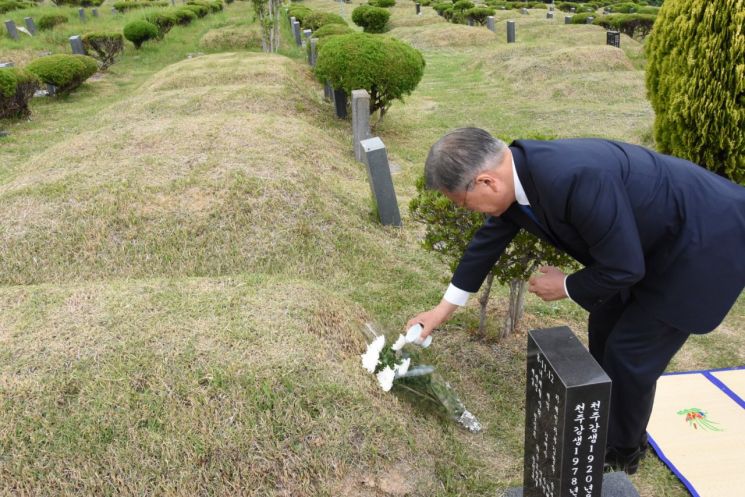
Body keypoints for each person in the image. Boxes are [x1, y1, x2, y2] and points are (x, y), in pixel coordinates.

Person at [407, 128, 745, 474]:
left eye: (463, 203)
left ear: (486, 182)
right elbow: (487, 243)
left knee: (630, 353)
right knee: (604, 322)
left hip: (704, 242)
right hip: (651, 242)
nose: (468, 212)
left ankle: (622, 451)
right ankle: (605, 422)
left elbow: (624, 267)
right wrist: (442, 310)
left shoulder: (574, 177)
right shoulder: (518, 174)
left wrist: (566, 285)